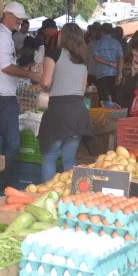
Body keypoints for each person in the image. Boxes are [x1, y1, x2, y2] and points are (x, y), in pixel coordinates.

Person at [0, 1, 40, 189]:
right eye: (17, 19)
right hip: (1, 95)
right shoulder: (2, 36)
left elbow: (7, 65)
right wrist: (30, 74)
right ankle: (2, 184)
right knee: (12, 143)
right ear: (7, 15)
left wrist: (25, 68)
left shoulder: (2, 34)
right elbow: (6, 67)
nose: (19, 22)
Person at [37, 23, 91, 180]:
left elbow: (45, 83)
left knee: (50, 157)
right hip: (78, 113)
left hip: (59, 112)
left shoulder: (54, 54)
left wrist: (39, 78)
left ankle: (48, 195)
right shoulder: (83, 60)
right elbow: (83, 88)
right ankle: (70, 196)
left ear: (63, 36)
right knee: (69, 159)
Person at [90, 24, 124, 104]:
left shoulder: (96, 44)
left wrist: (110, 63)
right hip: (115, 74)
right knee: (116, 99)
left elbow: (96, 57)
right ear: (111, 32)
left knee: (104, 100)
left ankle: (106, 115)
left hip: (102, 75)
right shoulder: (117, 43)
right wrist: (119, 75)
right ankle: (117, 116)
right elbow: (121, 59)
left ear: (101, 32)